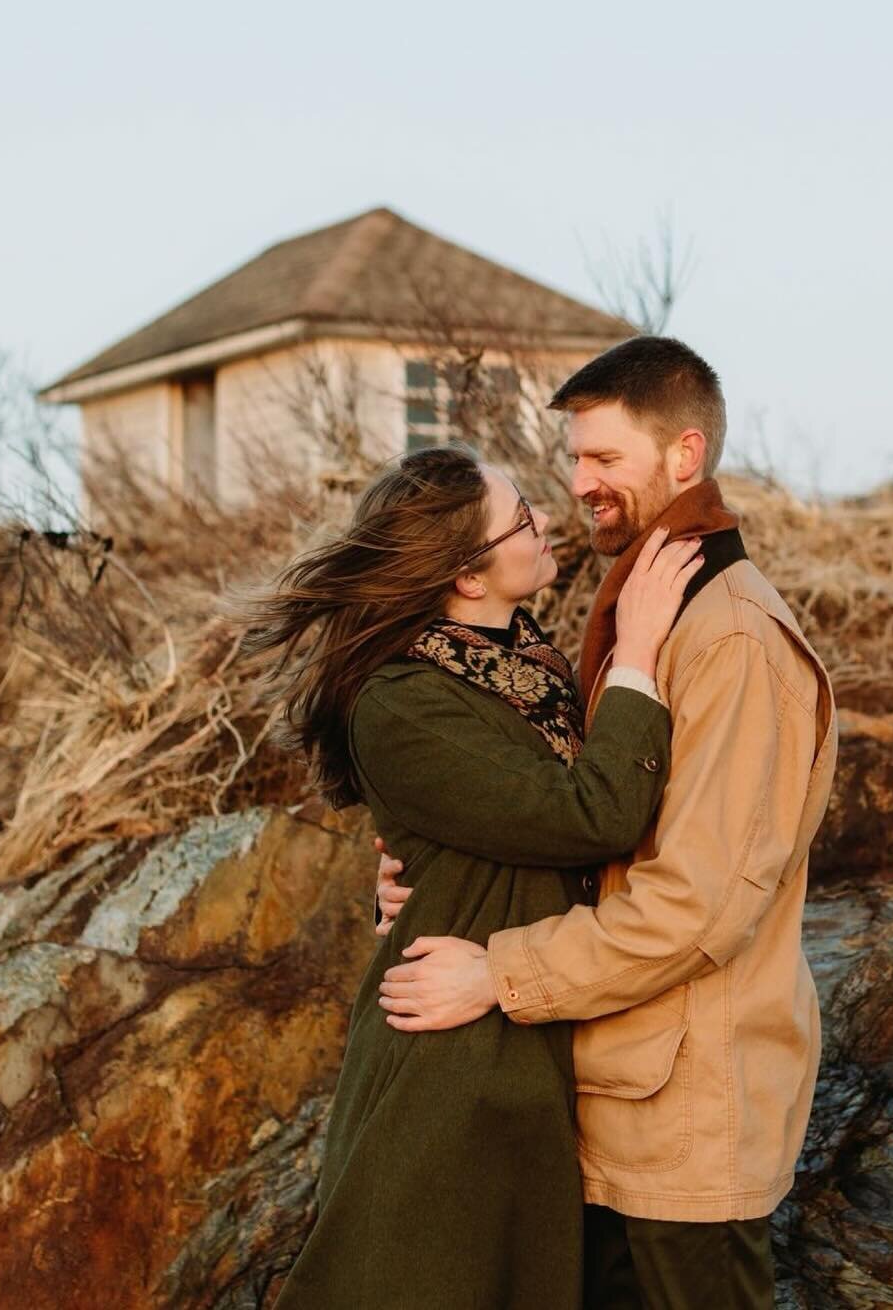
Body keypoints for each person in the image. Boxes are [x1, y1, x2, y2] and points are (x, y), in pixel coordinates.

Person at [374, 337, 838, 1310]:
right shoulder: (648, 607)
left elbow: (700, 905)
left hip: (689, 1125)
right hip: (618, 1103)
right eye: (575, 458)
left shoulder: (733, 638)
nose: (579, 483)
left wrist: (499, 973)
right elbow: (575, 823)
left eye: (604, 460)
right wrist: (425, 871)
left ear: (685, 455)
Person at [245, 443, 705, 1310]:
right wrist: (640, 652)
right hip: (451, 1080)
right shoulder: (403, 699)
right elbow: (589, 815)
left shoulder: (517, 664)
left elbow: (483, 818)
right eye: (521, 517)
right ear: (466, 576)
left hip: (521, 1041)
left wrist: (409, 869)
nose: (544, 520)